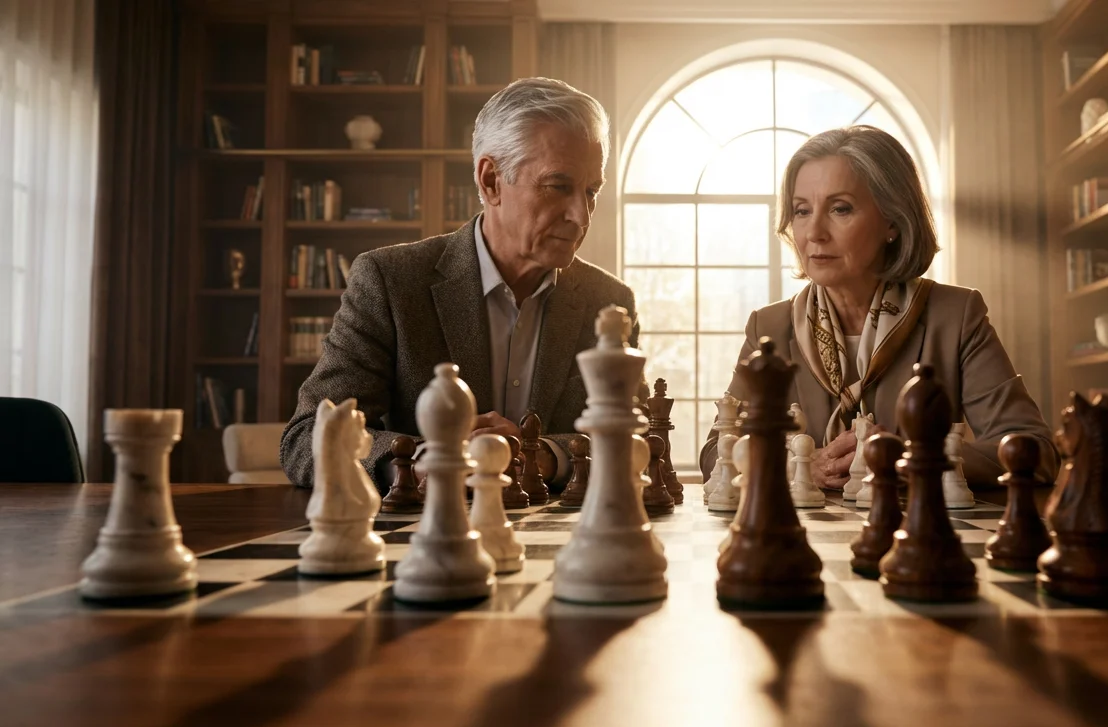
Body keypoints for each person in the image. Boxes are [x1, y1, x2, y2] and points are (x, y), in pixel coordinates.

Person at [281, 77, 636, 491]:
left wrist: (541, 456)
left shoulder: (610, 303)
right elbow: (306, 439)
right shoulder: (390, 282)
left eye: (592, 191)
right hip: (416, 546)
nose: (582, 214)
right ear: (490, 181)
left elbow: (640, 442)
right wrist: (426, 460)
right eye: (559, 187)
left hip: (561, 547)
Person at [698, 125, 1058, 488]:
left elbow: (1037, 453)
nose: (814, 232)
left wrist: (905, 457)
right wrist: (800, 463)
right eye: (802, 211)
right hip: (799, 541)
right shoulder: (768, 326)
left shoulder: (955, 315)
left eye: (840, 209)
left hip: (917, 538)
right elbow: (715, 453)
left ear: (893, 221)